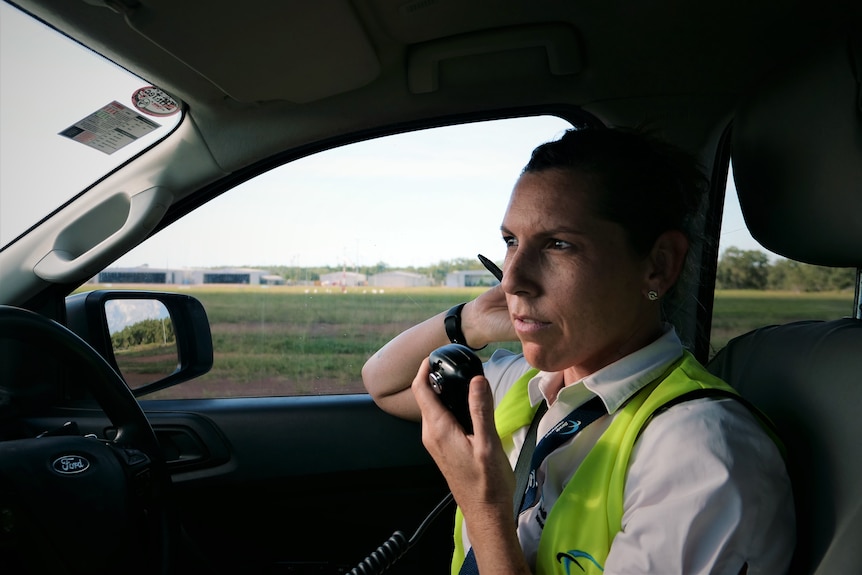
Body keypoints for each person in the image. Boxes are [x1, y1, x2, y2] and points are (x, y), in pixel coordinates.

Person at [361, 127, 795, 574]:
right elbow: (383, 382)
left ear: (658, 265)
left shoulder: (699, 455)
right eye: (511, 242)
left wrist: (486, 512)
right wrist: (470, 320)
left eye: (559, 244)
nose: (512, 278)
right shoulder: (528, 386)